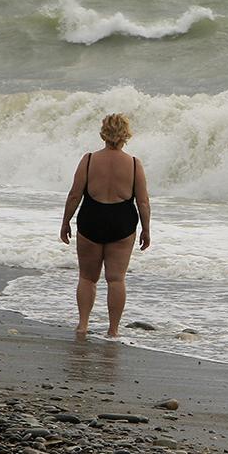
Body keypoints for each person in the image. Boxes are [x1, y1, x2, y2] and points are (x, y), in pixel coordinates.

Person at [60, 113, 151, 338]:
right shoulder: (133, 164)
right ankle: (113, 330)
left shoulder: (89, 159)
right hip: (122, 222)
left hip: (91, 218)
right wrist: (146, 229)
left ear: (103, 133)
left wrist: (66, 222)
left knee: (87, 277)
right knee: (116, 279)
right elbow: (143, 201)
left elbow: (74, 195)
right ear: (126, 135)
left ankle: (83, 325)